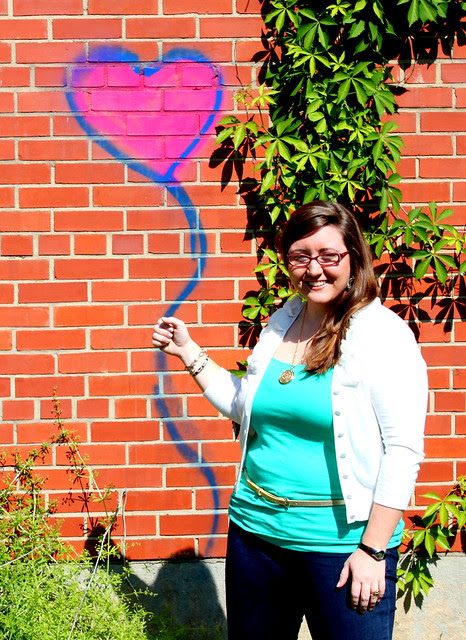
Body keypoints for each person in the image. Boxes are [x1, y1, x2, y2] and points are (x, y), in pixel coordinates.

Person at [152, 200, 428, 640]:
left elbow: (403, 450)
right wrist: (188, 351)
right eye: (301, 256)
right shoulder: (283, 321)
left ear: (353, 257)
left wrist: (373, 550)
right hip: (256, 537)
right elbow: (246, 405)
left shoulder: (383, 335)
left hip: (342, 549)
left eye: (328, 255)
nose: (314, 269)